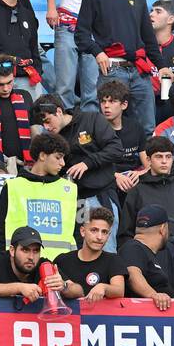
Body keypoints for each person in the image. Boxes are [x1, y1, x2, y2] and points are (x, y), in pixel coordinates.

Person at [74, 0, 161, 131]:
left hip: (140, 71)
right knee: (107, 127)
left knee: (147, 127)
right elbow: (81, 35)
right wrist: (98, 53)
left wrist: (161, 67)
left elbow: (149, 38)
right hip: (111, 70)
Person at [34, 93, 126, 241]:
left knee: (104, 246)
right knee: (81, 244)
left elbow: (115, 148)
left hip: (101, 194)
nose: (46, 127)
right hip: (77, 200)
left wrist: (87, 163)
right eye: (42, 124)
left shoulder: (91, 119)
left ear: (58, 111)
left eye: (48, 121)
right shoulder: (52, 139)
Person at [0, 131, 78, 258]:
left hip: (60, 267)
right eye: (58, 157)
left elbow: (79, 230)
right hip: (20, 265)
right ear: (42, 156)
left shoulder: (70, 189)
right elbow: (0, 230)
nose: (63, 163)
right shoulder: (13, 186)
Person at [43, 0, 108, 110]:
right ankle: (65, 131)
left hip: (93, 32)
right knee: (64, 88)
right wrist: (51, 8)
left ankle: (89, 131)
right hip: (66, 26)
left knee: (92, 92)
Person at [118, 136, 174, 239]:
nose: (164, 161)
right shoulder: (137, 190)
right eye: (159, 156)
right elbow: (126, 232)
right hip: (149, 251)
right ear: (148, 160)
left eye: (168, 156)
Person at [119, 204, 174, 307]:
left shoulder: (144, 251)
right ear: (163, 229)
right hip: (144, 319)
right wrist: (153, 295)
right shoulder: (133, 247)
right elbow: (132, 274)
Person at [0, 226, 52, 300]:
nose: (31, 257)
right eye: (25, 250)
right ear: (12, 250)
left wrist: (62, 285)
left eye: (36, 251)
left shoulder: (45, 266)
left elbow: (63, 288)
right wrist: (19, 287)